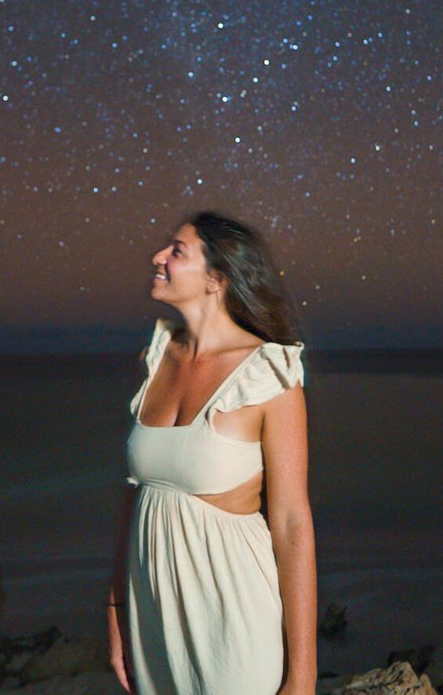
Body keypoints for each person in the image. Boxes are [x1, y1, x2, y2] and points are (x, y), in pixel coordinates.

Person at [107, 211, 316, 695]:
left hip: (234, 619)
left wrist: (302, 678)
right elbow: (134, 494)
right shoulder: (155, 358)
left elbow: (291, 525)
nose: (158, 257)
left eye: (176, 251)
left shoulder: (269, 376)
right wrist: (116, 608)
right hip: (154, 619)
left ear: (217, 279)